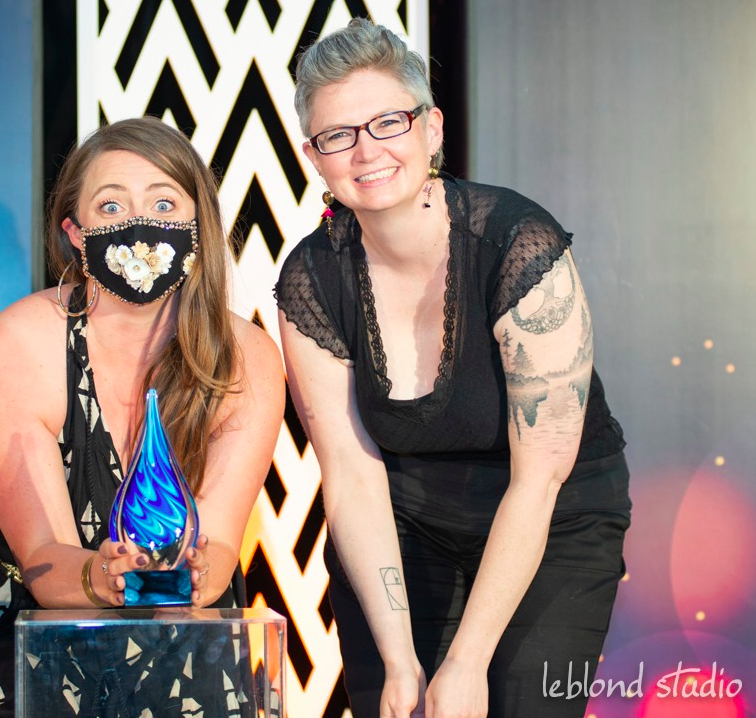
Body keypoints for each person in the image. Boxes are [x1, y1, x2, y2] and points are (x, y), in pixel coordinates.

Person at [276, 18, 631, 718]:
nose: (366, 150)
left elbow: (539, 477)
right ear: (313, 156)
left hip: (551, 518)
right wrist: (398, 659)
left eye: (388, 122)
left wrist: (465, 662)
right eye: (337, 135)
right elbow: (351, 475)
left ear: (431, 129)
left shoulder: (516, 245)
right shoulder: (310, 278)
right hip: (403, 527)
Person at [0, 116, 285, 716]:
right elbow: (46, 561)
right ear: (75, 232)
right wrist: (105, 575)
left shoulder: (247, 357)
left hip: (181, 652)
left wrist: (194, 575)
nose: (139, 226)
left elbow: (219, 545)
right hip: (24, 654)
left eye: (163, 203)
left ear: (198, 225)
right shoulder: (15, 347)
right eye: (111, 205)